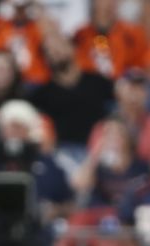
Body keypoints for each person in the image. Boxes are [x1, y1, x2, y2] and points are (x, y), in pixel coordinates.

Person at [26, 31, 114, 163]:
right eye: (47, 51)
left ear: (72, 48)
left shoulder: (99, 83)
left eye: (58, 46)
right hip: (61, 154)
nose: (53, 52)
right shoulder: (40, 95)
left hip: (101, 150)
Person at [0, 0, 52, 85]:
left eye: (23, 7)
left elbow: (42, 73)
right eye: (15, 7)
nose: (19, 12)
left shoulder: (37, 27)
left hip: (31, 82)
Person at [72, 0, 146, 80]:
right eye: (101, 2)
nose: (106, 5)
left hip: (124, 86)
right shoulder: (81, 35)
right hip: (91, 87)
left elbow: (141, 68)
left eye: (110, 2)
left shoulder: (132, 34)